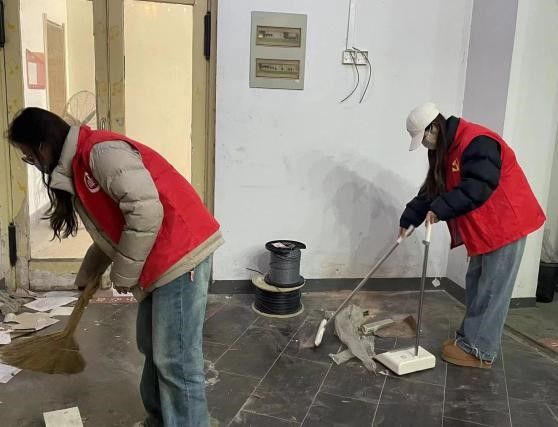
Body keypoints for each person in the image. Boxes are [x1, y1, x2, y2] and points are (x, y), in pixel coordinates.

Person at [8, 107, 224, 426]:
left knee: (176, 359)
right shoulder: (79, 164)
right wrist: (90, 272)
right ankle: (160, 420)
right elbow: (113, 227)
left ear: (43, 147)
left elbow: (146, 212)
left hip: (181, 253)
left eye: (29, 157)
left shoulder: (100, 153)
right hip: (158, 256)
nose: (33, 163)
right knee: (153, 347)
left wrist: (123, 274)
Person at [399, 102, 545, 368]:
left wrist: (440, 210)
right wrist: (409, 219)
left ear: (434, 128)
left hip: (506, 223)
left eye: (424, 138)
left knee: (491, 289)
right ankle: (468, 339)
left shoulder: (478, 142)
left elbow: (478, 187)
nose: (425, 145)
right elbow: (433, 188)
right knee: (476, 283)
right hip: (485, 228)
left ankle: (480, 350)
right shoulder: (447, 149)